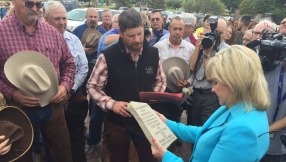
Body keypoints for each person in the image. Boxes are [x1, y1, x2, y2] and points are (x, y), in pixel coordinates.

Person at [151, 45, 271, 162]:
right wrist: (167, 123)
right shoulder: (238, 106)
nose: (213, 89)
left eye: (215, 82)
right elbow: (205, 133)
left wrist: (166, 157)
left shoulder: (242, 131)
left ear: (233, 82)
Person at [87, 9, 166, 162]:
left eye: (140, 34)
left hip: (146, 120)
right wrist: (112, 104)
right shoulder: (108, 56)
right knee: (118, 156)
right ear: (121, 33)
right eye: (131, 36)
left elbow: (161, 80)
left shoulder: (154, 54)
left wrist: (153, 98)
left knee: (148, 156)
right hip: (118, 122)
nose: (137, 39)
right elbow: (92, 86)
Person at [0, 0, 76, 160]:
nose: (35, 9)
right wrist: (12, 93)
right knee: (20, 154)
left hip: (53, 105)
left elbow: (69, 63)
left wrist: (65, 86)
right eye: (29, 3)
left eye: (39, 4)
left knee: (62, 153)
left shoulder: (52, 32)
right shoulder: (1, 32)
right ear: (14, 2)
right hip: (17, 108)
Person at [44, 1, 88, 161]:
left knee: (75, 139)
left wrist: (68, 91)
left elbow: (83, 68)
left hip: (73, 97)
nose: (62, 22)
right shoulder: (39, 41)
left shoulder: (74, 40)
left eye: (64, 18)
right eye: (57, 19)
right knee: (51, 143)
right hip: (46, 100)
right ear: (46, 19)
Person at [189, 18, 229, 126]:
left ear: (226, 33)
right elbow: (192, 67)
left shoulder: (226, 51)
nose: (216, 35)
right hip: (196, 94)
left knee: (206, 129)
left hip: (212, 97)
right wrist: (199, 45)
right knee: (193, 126)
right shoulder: (203, 45)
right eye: (213, 32)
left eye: (220, 33)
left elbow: (210, 76)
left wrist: (208, 53)